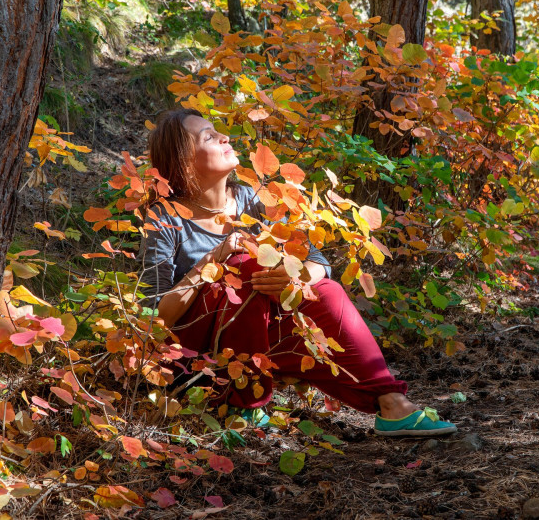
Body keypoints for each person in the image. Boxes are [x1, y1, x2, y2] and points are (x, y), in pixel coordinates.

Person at [140, 108, 457, 437]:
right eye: (208, 137)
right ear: (184, 161)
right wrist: (214, 259)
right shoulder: (164, 218)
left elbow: (318, 262)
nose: (224, 137)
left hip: (256, 342)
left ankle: (391, 404)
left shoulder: (254, 199)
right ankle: (243, 404)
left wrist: (297, 278)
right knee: (245, 265)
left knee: (327, 290)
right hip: (194, 358)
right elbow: (155, 316)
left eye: (218, 131)